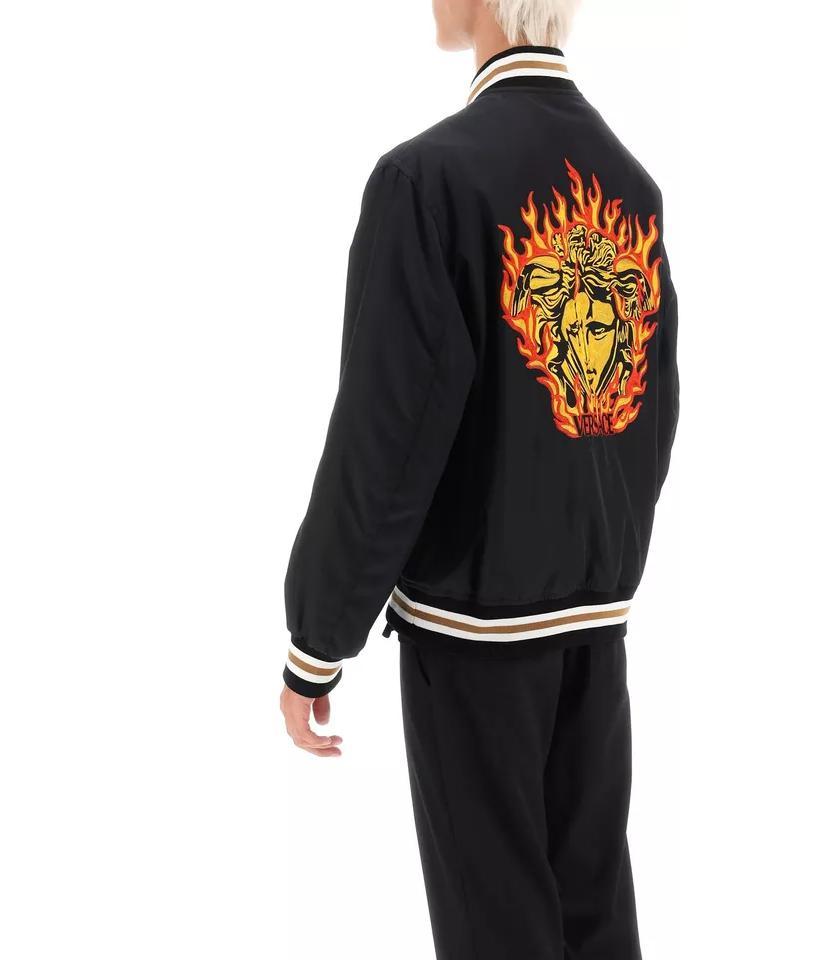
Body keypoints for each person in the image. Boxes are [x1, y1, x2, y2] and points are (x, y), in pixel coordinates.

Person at [279, 1, 679, 956]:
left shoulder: (427, 182)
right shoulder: (631, 186)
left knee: (494, 930)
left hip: (475, 636)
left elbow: (384, 439)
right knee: (593, 917)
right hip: (596, 627)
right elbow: (656, 407)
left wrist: (316, 643)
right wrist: (603, 565)